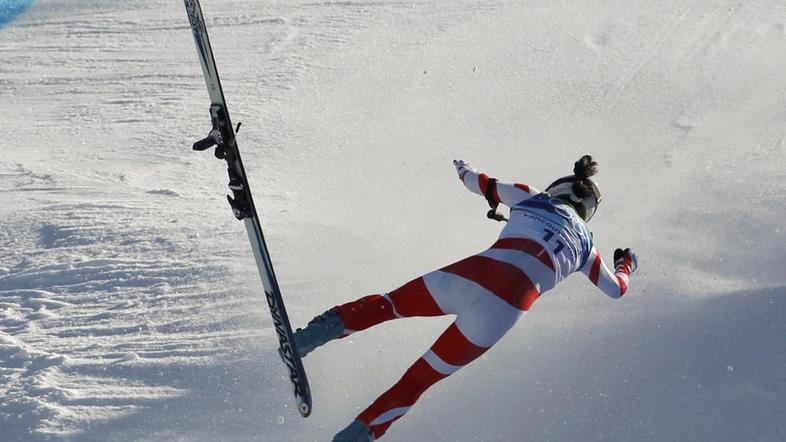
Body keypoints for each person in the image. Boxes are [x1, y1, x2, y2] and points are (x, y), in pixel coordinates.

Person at [294, 155, 638, 441]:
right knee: (416, 382)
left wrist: (462, 167)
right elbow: (616, 289)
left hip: (474, 275)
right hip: (500, 314)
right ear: (586, 211)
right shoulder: (587, 249)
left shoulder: (533, 196)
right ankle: (356, 436)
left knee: (389, 305)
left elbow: (478, 182)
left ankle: (308, 338)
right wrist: (626, 264)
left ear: (558, 187)